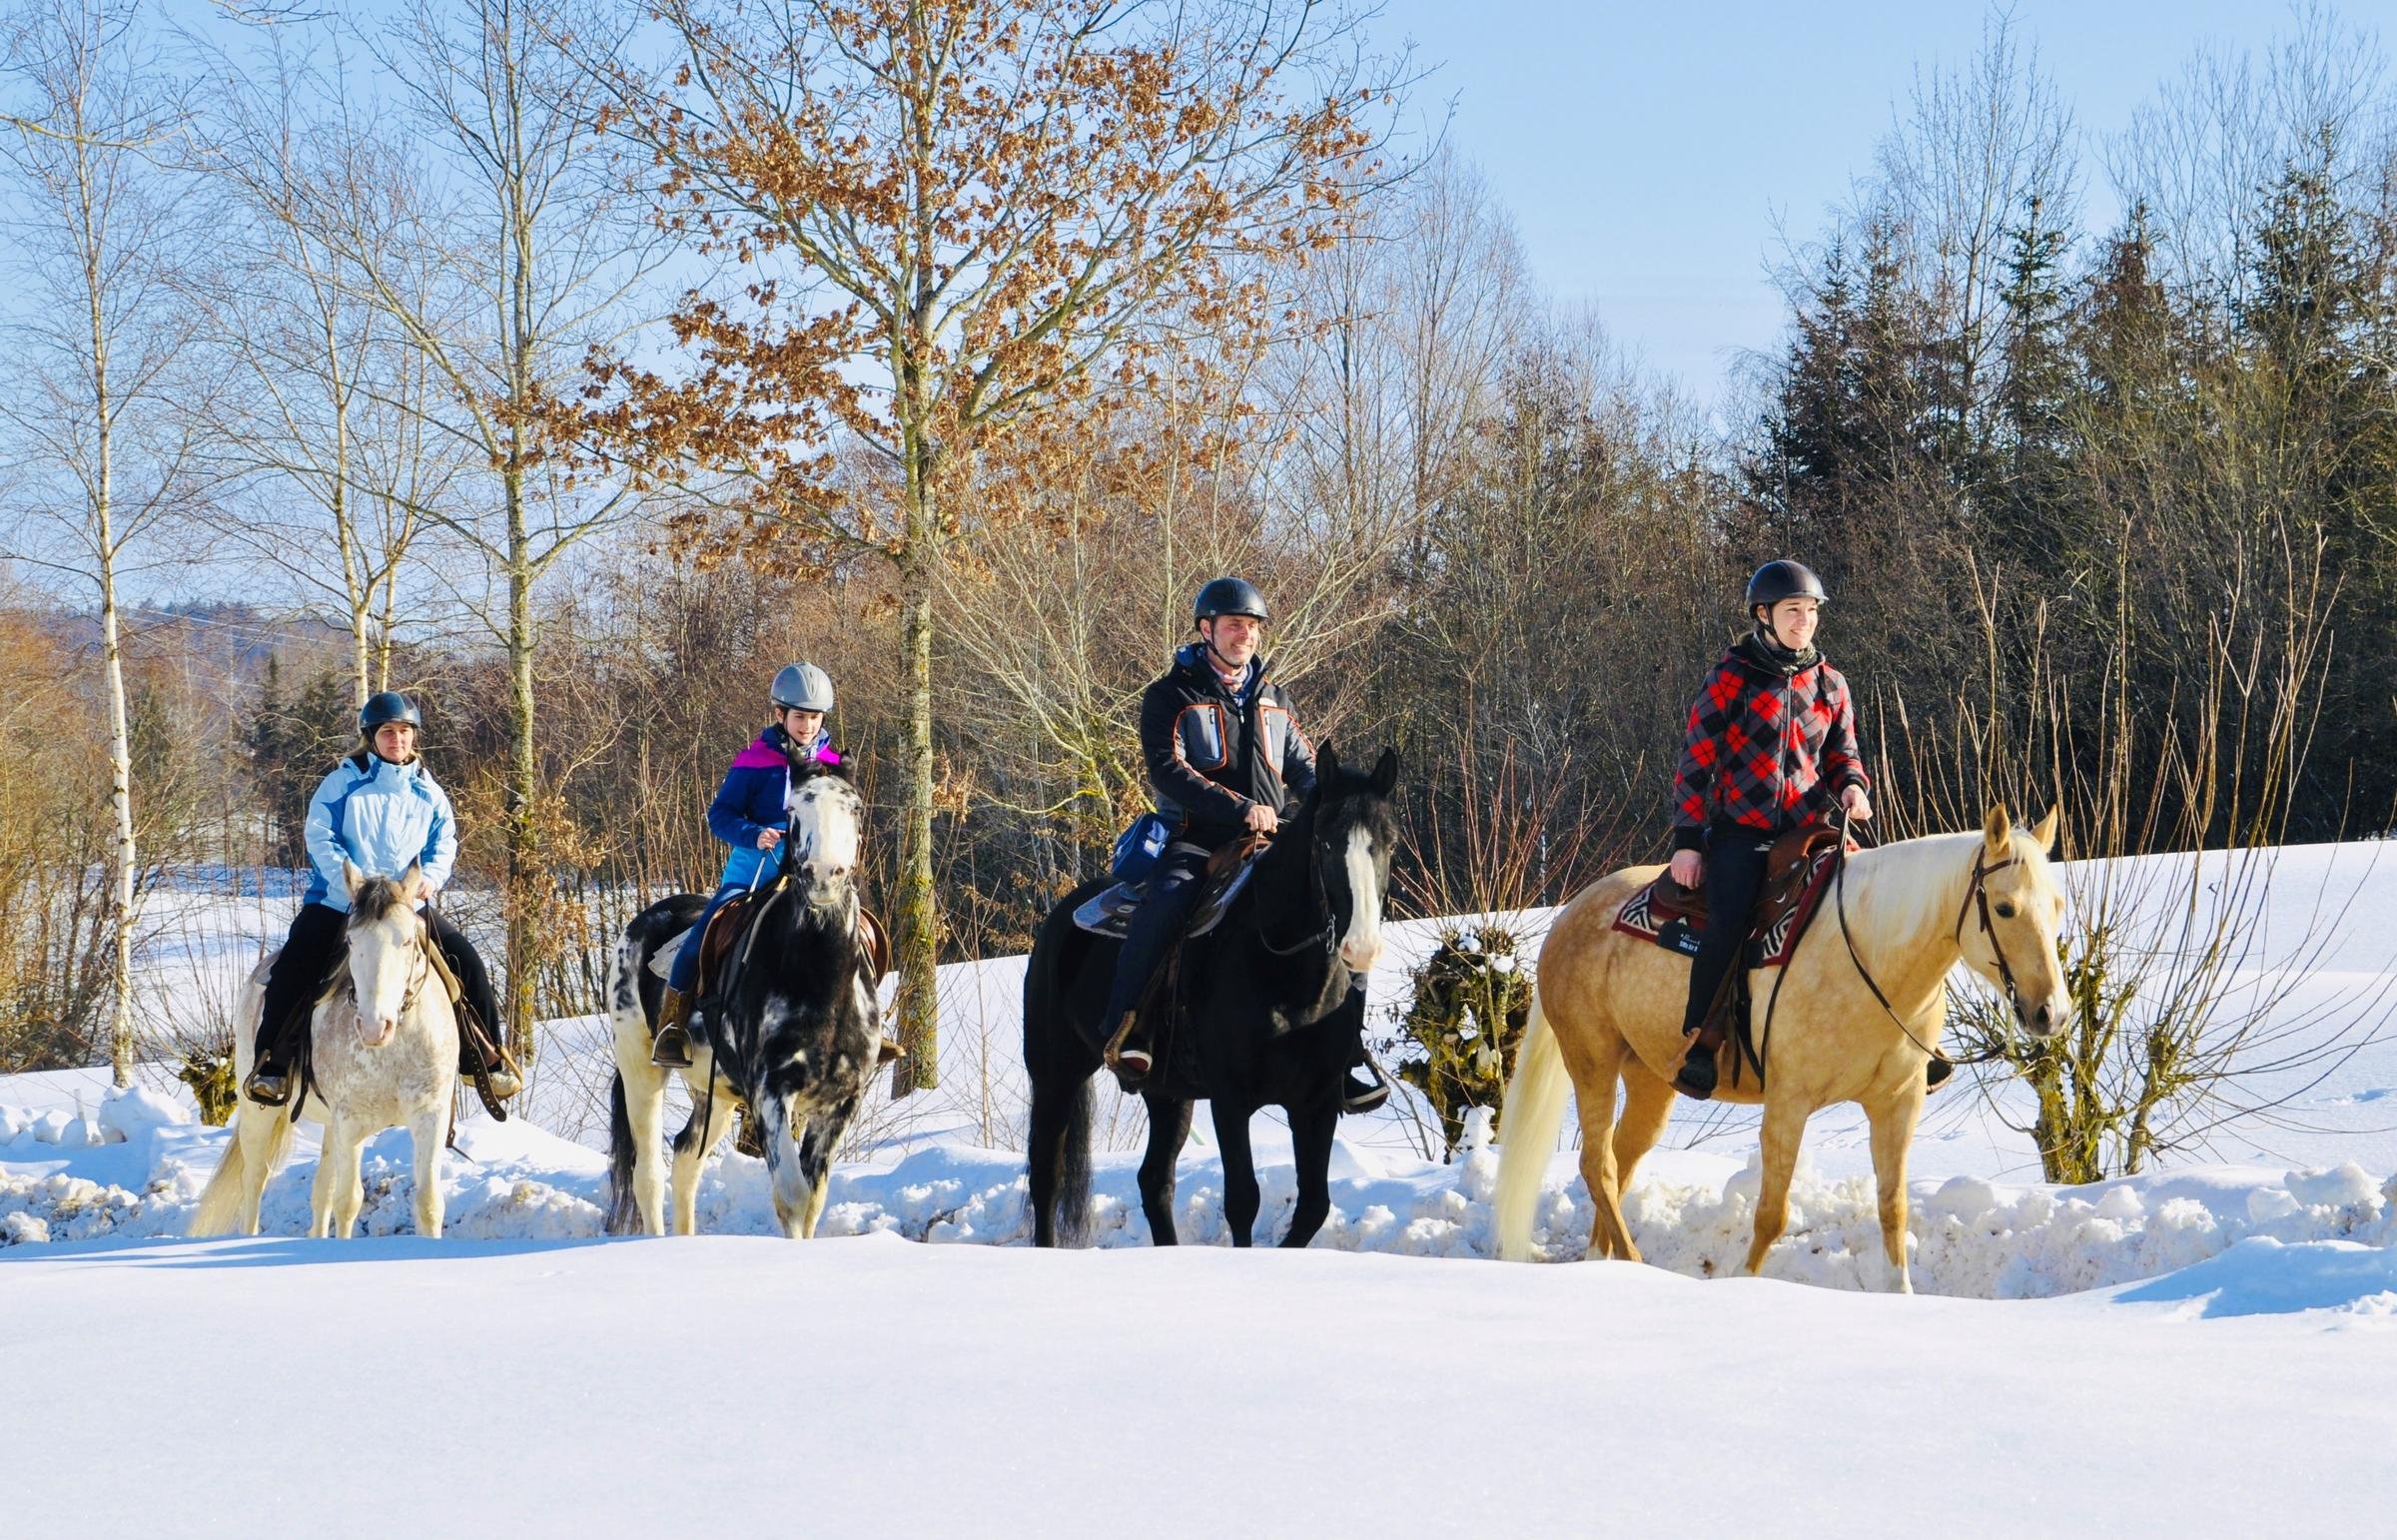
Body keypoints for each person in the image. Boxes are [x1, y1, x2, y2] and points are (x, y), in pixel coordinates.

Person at [1100, 577, 1387, 1112]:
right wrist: (1239, 808)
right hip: (1196, 841)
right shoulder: (1171, 696)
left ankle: (1347, 1051)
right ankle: (1128, 1031)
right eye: (1234, 625)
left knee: (1340, 909)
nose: (1245, 636)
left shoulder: (1274, 699)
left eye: (1252, 627)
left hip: (1272, 841)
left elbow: (1303, 768)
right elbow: (1167, 769)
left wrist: (1335, 803)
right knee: (1164, 905)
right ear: (1206, 629)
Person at [243, 691, 510, 1108]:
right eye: (388, 732)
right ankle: (272, 1067)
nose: (397, 740)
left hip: (405, 907)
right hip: (339, 901)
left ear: (414, 737)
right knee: (295, 967)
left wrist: (432, 878)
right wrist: (349, 880)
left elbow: (445, 843)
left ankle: (487, 1061)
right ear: (371, 736)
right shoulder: (343, 782)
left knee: (467, 962)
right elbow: (320, 834)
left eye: (405, 732)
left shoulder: (428, 791)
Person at [1667, 559, 1872, 1101]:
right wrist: (1687, 841)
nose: (1803, 621)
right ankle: (1701, 1044)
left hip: (1811, 829)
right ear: (1764, 615)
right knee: (1729, 922)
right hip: (1741, 832)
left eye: (1810, 612)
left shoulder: (1830, 683)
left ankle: (1894, 1045)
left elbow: (1842, 755)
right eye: (1792, 611)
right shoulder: (1731, 676)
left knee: (1868, 906)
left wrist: (1853, 786)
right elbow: (1695, 763)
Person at [650, 662, 897, 1069]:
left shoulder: (834, 762)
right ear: (780, 715)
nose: (807, 724)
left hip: (814, 874)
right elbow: (720, 814)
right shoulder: (754, 759)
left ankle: (868, 1025)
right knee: (706, 931)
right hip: (755, 871)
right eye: (799, 716)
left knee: (864, 933)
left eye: (814, 716)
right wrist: (753, 833)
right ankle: (672, 1023)